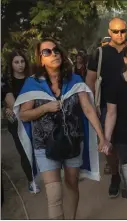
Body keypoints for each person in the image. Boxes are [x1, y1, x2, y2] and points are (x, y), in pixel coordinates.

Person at [15, 38, 109, 219]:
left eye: (56, 50)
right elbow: (24, 115)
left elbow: (88, 109)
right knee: (54, 193)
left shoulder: (74, 80)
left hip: (72, 142)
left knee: (72, 183)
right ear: (40, 59)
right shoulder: (33, 83)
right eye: (47, 52)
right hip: (44, 145)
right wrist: (45, 108)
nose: (53, 54)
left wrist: (102, 137)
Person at [86, 17, 126, 198]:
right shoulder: (100, 53)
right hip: (106, 107)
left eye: (122, 31)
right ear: (109, 32)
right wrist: (92, 104)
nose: (119, 34)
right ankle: (115, 175)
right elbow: (90, 80)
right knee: (109, 145)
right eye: (116, 31)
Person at [2, 51, 40, 193]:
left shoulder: (33, 79)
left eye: (22, 61)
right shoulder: (7, 83)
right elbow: (14, 105)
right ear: (11, 65)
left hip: (36, 118)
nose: (20, 65)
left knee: (40, 148)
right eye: (16, 62)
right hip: (18, 123)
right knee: (24, 152)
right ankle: (32, 181)